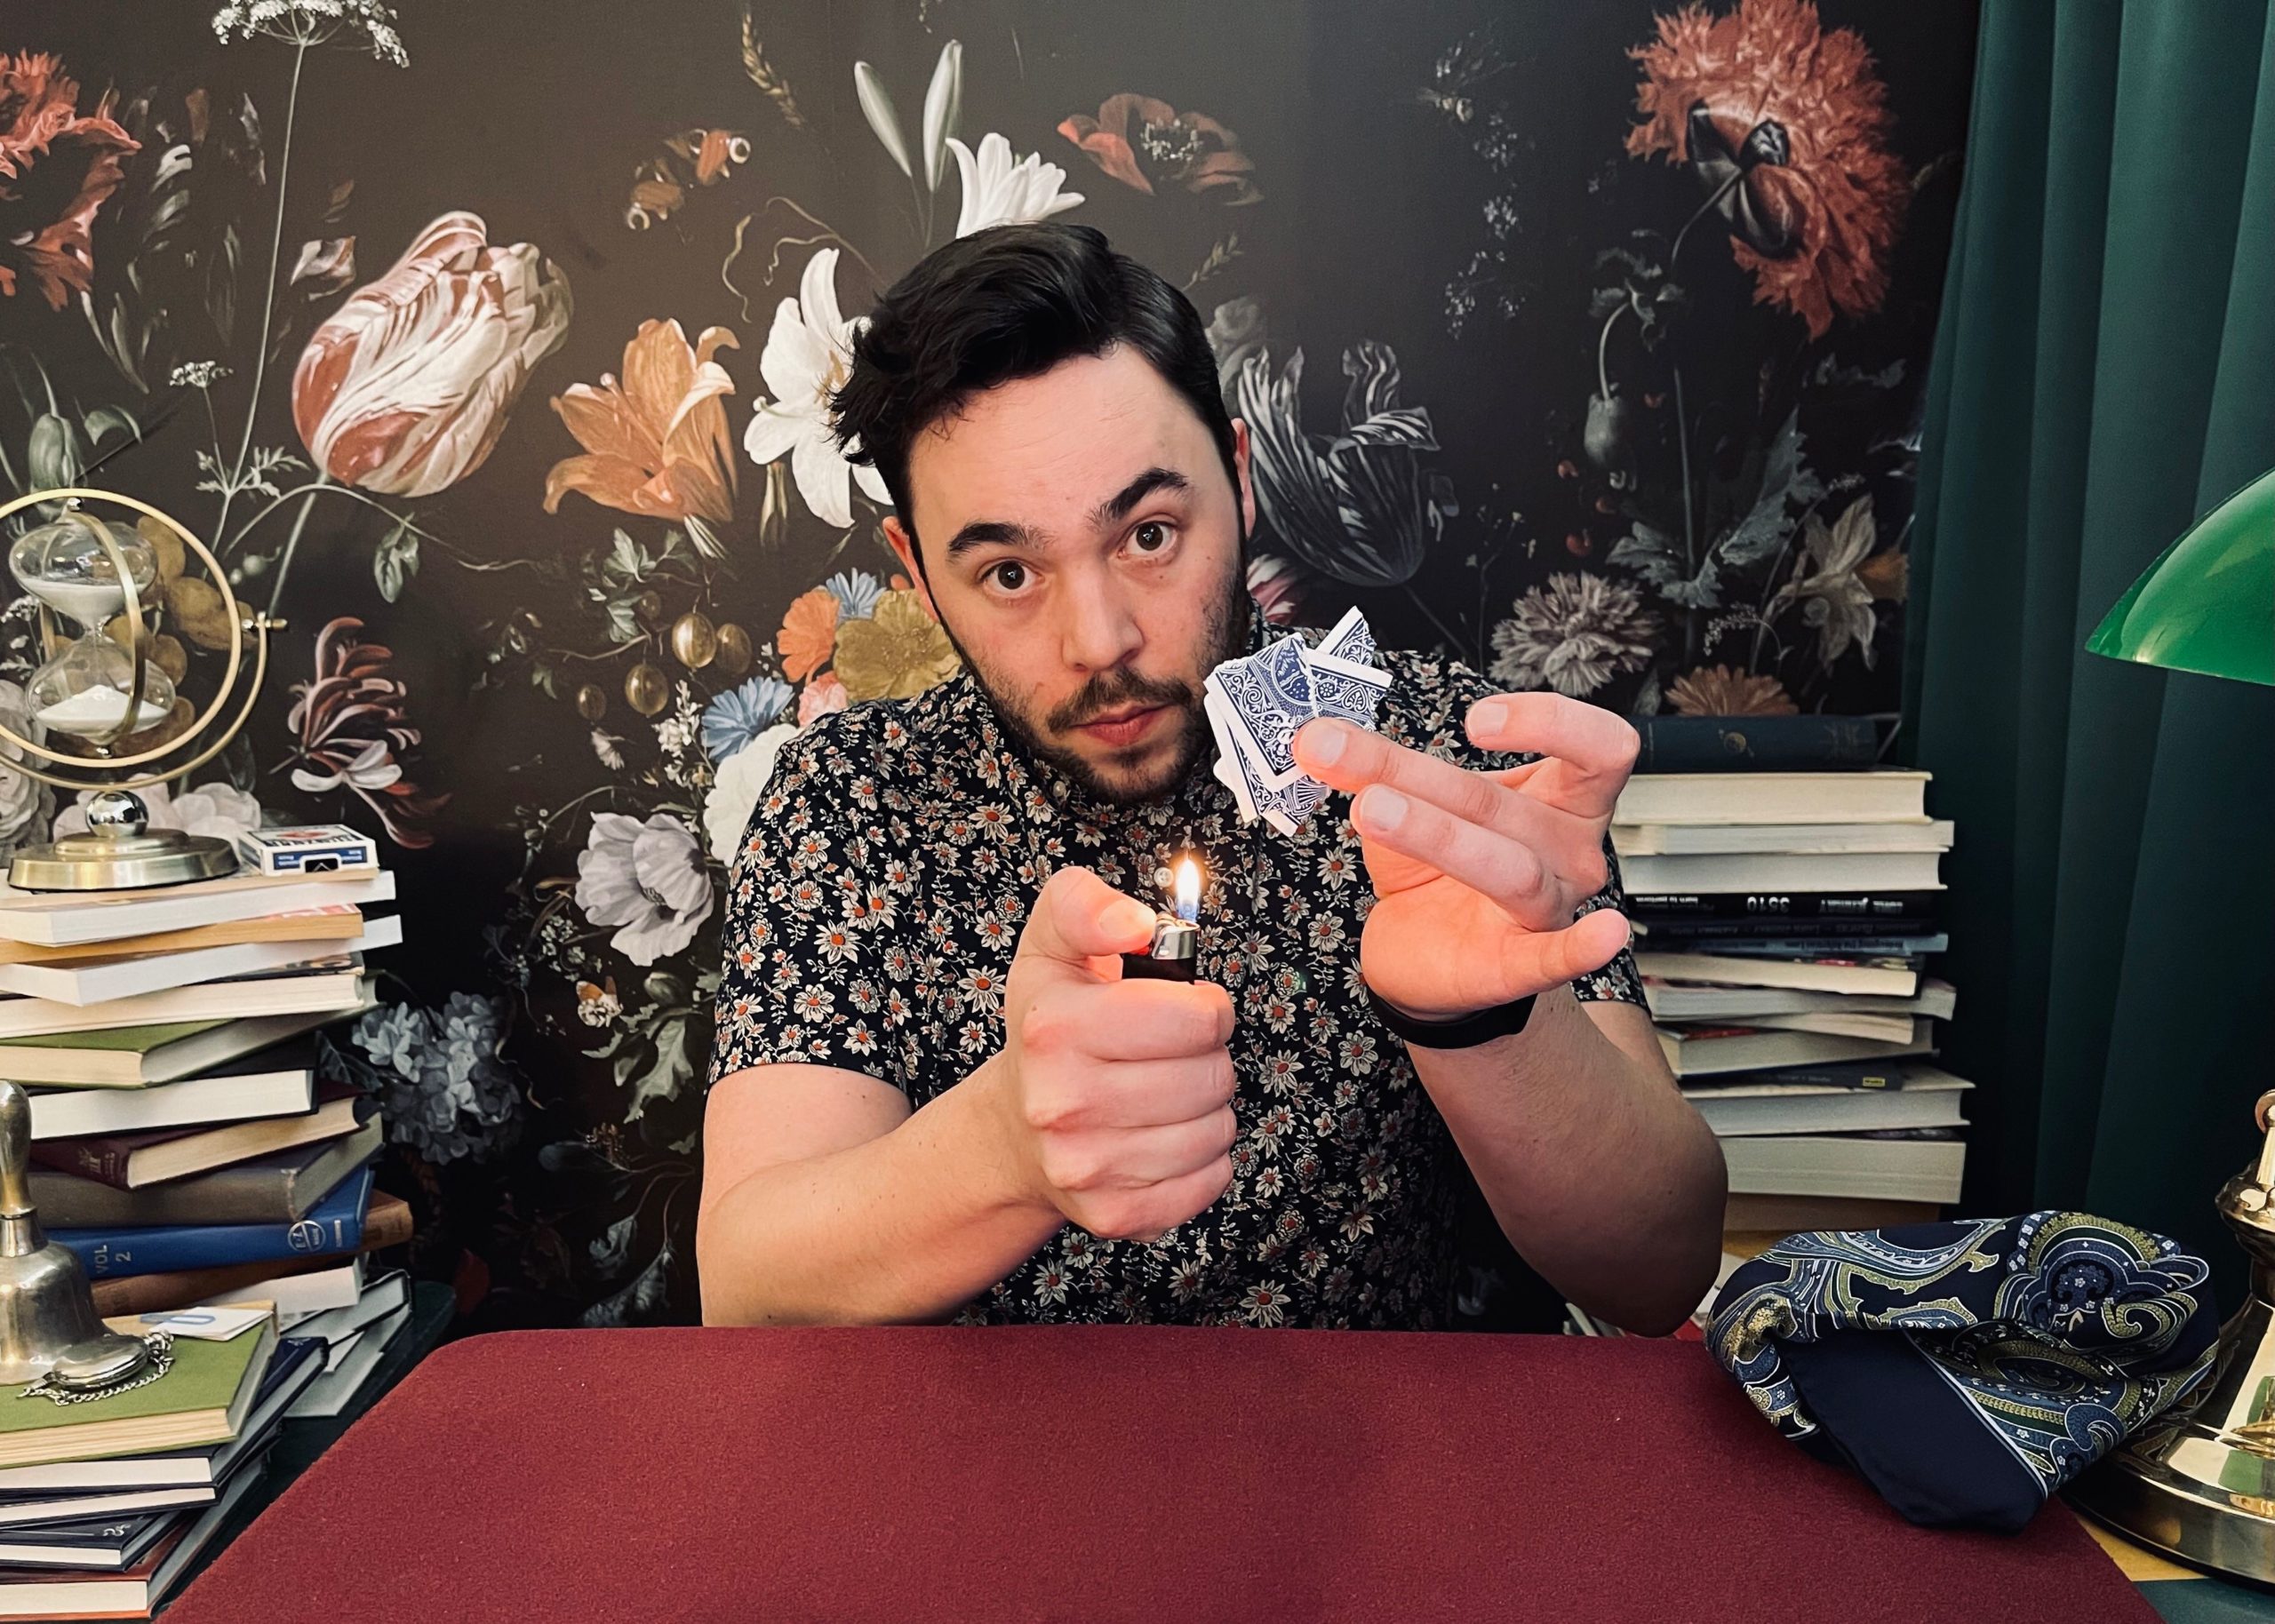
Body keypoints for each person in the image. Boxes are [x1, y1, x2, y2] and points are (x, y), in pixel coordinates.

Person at [696, 223, 1724, 1333]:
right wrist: (999, 1150)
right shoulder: (851, 802)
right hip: (979, 1445)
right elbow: (746, 1296)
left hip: (1388, 1435)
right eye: (1008, 572)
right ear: (918, 573)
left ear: (1236, 479)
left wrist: (1489, 1027)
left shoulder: (1434, 755)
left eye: (1148, 535)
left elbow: (1658, 1273)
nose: (1100, 640)